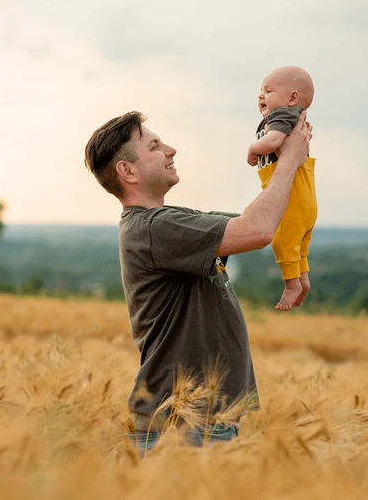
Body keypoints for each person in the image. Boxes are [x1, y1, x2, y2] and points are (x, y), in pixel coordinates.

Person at [84, 109, 312, 452]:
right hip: (181, 430)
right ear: (127, 171)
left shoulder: (168, 221)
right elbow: (259, 230)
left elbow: (271, 223)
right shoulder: (153, 229)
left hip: (196, 426)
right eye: (155, 146)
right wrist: (288, 163)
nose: (171, 150)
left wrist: (281, 152)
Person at [246, 66, 317, 311]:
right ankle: (303, 279)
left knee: (283, 241)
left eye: (268, 90)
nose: (261, 96)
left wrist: (253, 149)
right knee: (299, 245)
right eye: (260, 91)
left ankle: (291, 285)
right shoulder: (288, 118)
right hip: (305, 198)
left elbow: (274, 141)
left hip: (291, 199)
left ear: (292, 98)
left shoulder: (282, 116)